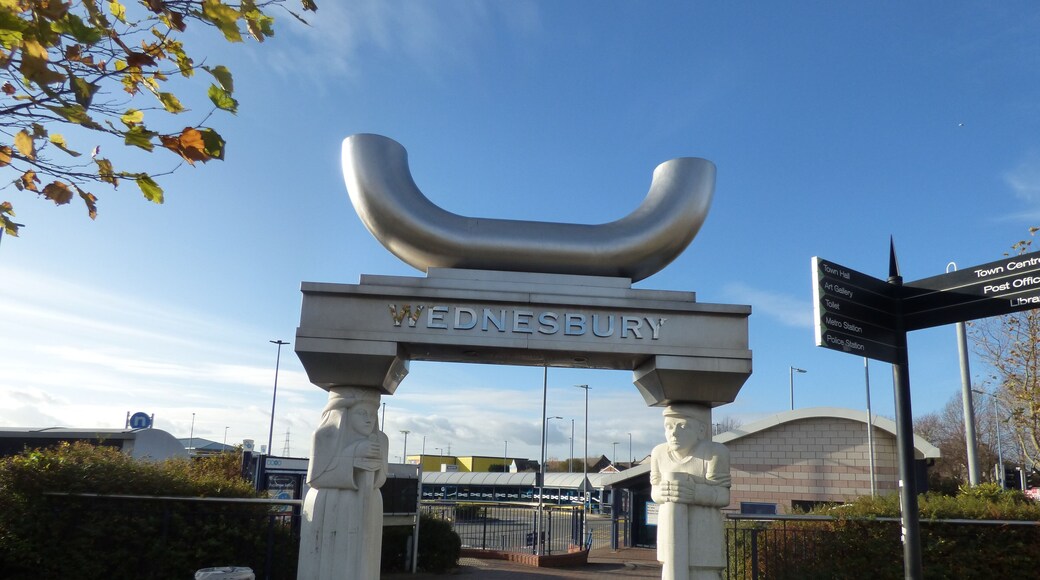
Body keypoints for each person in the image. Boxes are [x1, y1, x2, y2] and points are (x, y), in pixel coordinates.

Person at [298, 387, 389, 580]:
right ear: (344, 412)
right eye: (361, 413)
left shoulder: (381, 440)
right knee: (328, 564)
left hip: (370, 504)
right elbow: (316, 478)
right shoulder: (325, 435)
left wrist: (374, 466)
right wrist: (354, 453)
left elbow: (381, 479)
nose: (369, 419)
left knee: (366, 561)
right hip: (331, 504)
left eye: (372, 414)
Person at [650, 403, 731, 580]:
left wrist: (695, 493)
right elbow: (654, 491)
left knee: (705, 575)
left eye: (682, 426)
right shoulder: (658, 453)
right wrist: (664, 492)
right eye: (669, 426)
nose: (673, 433)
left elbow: (723, 495)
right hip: (670, 532)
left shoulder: (715, 453)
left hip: (703, 536)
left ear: (701, 430)